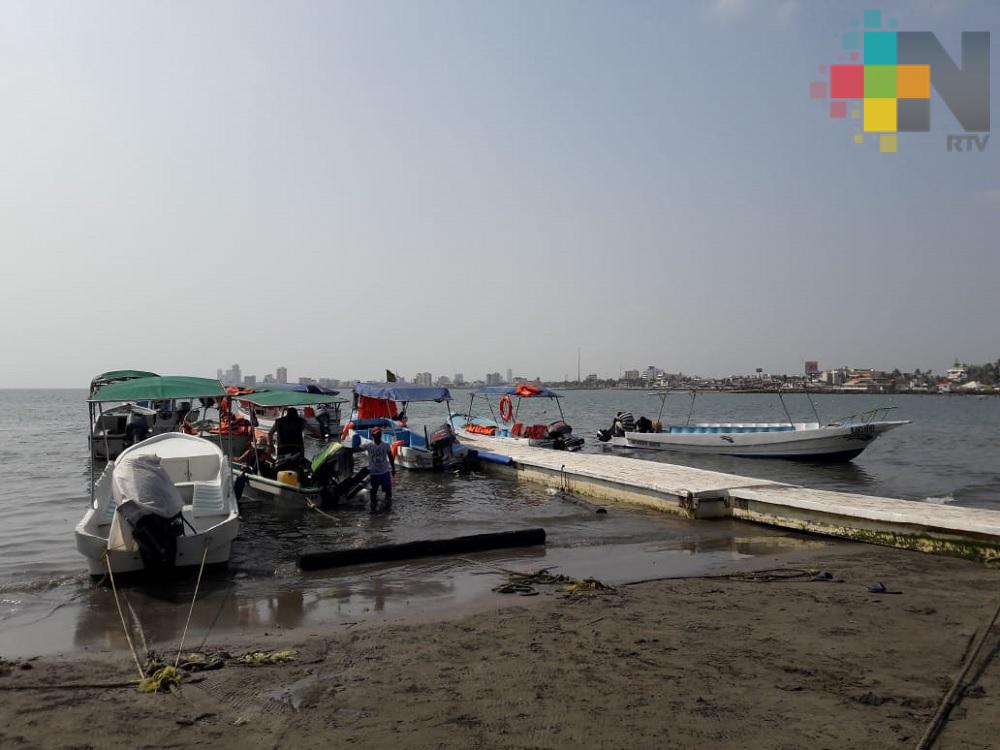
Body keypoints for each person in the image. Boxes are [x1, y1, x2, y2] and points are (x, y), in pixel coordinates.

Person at [364, 427, 395, 512]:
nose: (378, 435)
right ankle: (373, 509)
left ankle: (388, 508)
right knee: (373, 493)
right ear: (372, 435)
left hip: (384, 472)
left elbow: (390, 457)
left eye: (379, 434)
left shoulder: (386, 445)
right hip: (374, 473)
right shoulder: (368, 445)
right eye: (376, 434)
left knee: (388, 492)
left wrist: (393, 468)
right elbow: (357, 448)